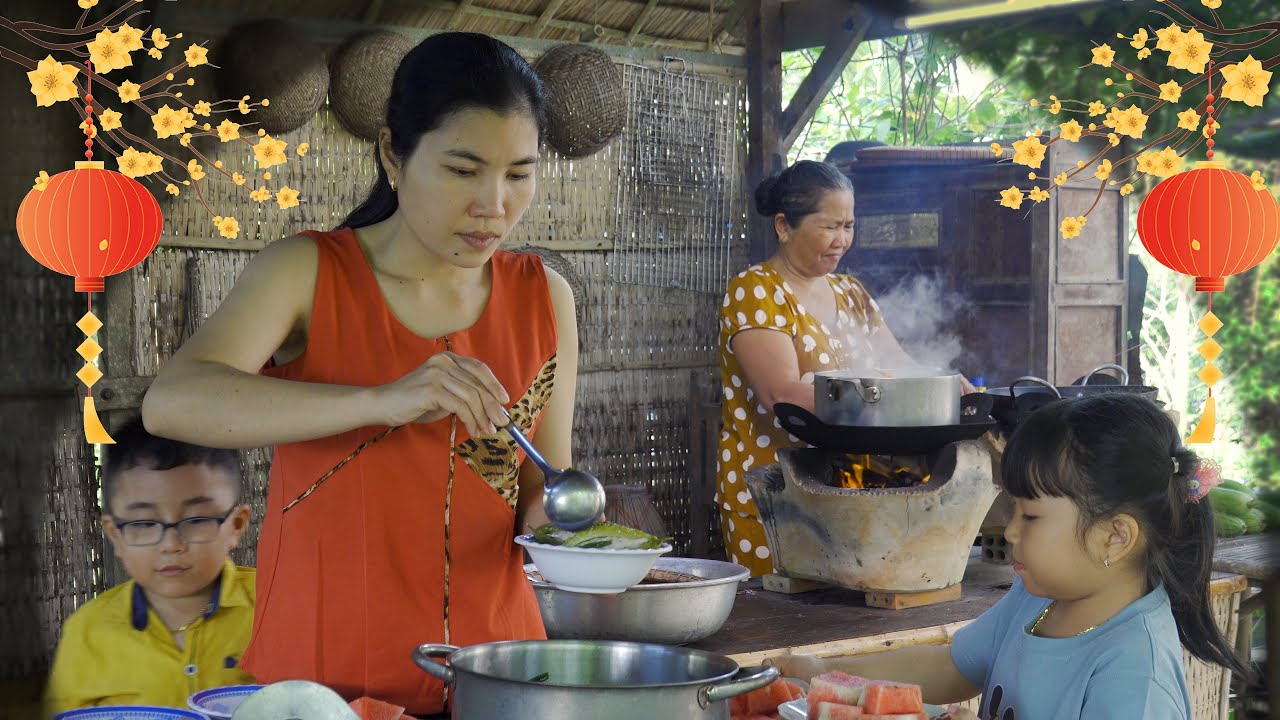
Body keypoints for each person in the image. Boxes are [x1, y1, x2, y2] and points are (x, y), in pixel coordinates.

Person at [141, 32, 578, 715]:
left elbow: (543, 487)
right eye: (463, 170)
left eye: (519, 173)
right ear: (392, 156)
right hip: (326, 683)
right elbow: (173, 403)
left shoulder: (544, 297)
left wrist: (567, 526)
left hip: (500, 673)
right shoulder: (309, 272)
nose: (493, 203)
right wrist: (382, 400)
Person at [766, 393, 1249, 719]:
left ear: (1114, 537)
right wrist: (824, 678)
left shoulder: (1135, 678)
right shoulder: (1036, 597)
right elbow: (955, 667)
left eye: (1031, 517)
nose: (1011, 531)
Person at [718, 160, 966, 575]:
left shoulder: (851, 292)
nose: (842, 240)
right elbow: (781, 393)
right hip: (777, 496)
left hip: (852, 491)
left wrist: (940, 382)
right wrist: (878, 388)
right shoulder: (755, 291)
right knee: (780, 622)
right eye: (830, 226)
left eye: (849, 226)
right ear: (784, 226)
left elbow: (897, 362)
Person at [44, 417, 255, 714]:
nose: (171, 544)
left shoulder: (276, 610)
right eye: (143, 522)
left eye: (196, 520)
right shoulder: (89, 632)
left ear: (236, 525)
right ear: (114, 535)